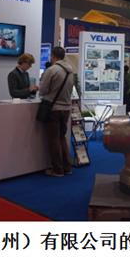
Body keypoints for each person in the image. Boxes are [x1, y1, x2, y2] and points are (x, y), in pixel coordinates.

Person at [38, 46, 74, 177]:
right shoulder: (70, 71)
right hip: (66, 109)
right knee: (62, 138)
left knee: (54, 139)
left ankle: (58, 170)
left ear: (53, 56)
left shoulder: (52, 70)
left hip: (54, 109)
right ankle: (67, 167)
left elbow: (43, 90)